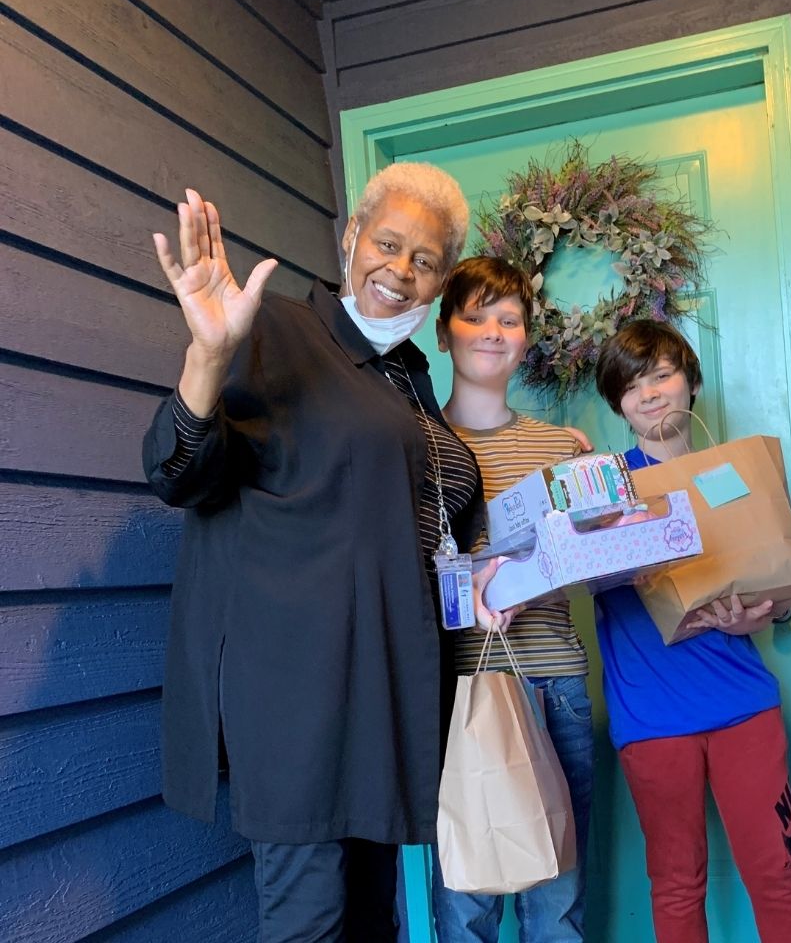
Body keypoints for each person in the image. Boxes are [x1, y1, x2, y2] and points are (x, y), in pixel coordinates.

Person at [143, 164, 486, 942]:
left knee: (369, 922)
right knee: (311, 923)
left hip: (384, 694)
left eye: (424, 259)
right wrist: (208, 357)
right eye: (387, 244)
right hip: (300, 699)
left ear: (441, 280)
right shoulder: (277, 332)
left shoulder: (408, 374)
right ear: (351, 238)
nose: (399, 270)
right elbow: (180, 473)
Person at [590, 319, 791, 943]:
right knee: (676, 884)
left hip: (743, 705)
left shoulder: (740, 474)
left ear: (690, 381)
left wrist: (767, 614)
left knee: (776, 875)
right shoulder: (603, 489)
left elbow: (783, 583)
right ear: (618, 404)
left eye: (661, 375)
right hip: (650, 716)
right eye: (631, 386)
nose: (649, 394)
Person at [431, 256, 594, 943]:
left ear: (526, 338)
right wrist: (474, 584)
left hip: (557, 686)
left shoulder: (561, 448)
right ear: (444, 333)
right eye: (476, 317)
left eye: (510, 319)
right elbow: (396, 571)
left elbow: (591, 569)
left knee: (558, 905)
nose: (494, 332)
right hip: (461, 692)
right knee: (464, 909)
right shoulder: (417, 447)